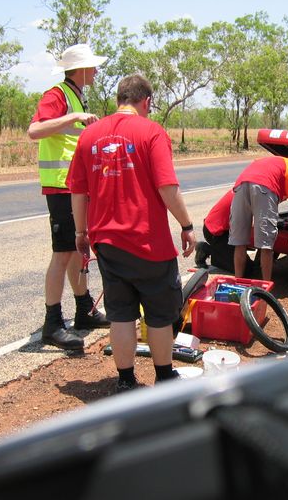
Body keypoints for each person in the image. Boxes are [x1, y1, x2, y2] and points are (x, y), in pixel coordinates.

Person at [68, 74, 196, 393]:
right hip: (148, 242)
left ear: (118, 100)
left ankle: (126, 382)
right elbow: (167, 187)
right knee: (158, 314)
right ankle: (164, 376)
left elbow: (78, 192)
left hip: (107, 243)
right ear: (146, 102)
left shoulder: (89, 136)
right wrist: (187, 224)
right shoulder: (151, 131)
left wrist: (80, 232)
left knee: (121, 314)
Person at [27, 44, 110, 350]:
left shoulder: (76, 94)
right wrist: (73, 115)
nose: (97, 71)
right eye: (93, 66)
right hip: (60, 186)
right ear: (81, 69)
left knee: (77, 250)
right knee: (62, 254)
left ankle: (84, 309)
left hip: (73, 186)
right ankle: (52, 324)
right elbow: (35, 131)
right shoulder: (58, 95)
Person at [229, 156, 288, 281]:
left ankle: (238, 281)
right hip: (264, 186)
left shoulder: (278, 163)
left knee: (239, 242)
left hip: (241, 184)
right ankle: (266, 287)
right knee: (266, 244)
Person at [195, 190, 255, 276]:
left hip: (223, 229)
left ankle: (220, 253)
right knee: (245, 270)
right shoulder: (248, 196)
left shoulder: (242, 189)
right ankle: (206, 249)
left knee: (250, 266)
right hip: (216, 233)